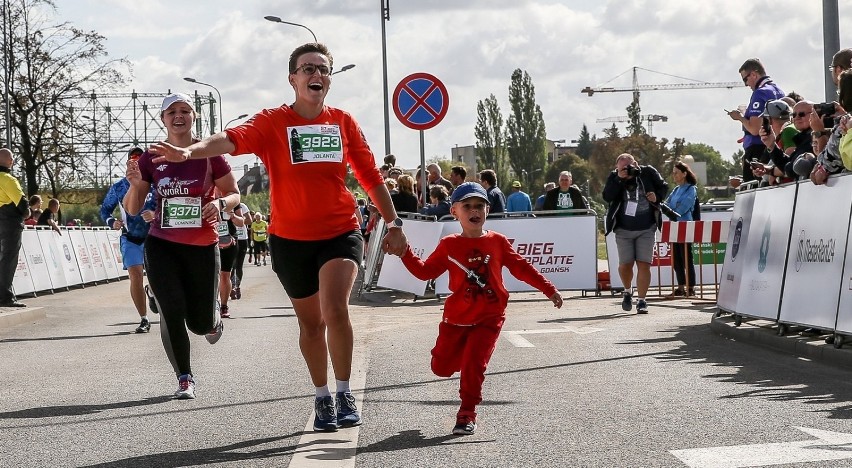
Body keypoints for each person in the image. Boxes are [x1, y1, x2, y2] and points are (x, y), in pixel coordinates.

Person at [147, 43, 407, 432]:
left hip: (339, 230)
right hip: (289, 238)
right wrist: (191, 153)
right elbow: (229, 140)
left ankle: (344, 391)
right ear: (293, 79)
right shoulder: (272, 122)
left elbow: (369, 176)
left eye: (322, 69)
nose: (315, 75)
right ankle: (321, 397)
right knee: (310, 325)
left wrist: (394, 223)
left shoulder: (343, 122)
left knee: (335, 308)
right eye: (307, 69)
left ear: (329, 79)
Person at [394, 182, 562, 435]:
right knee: (440, 368)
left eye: (480, 206)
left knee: (474, 365)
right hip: (456, 319)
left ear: (487, 209)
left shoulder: (498, 242)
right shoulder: (449, 245)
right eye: (468, 206)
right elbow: (424, 272)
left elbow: (522, 268)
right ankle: (461, 359)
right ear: (454, 211)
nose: (475, 211)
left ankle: (466, 414)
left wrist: (548, 288)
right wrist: (405, 251)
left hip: (489, 317)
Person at [125, 92, 241, 400]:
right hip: (162, 244)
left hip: (203, 245)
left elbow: (234, 193)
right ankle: (185, 377)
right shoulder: (150, 157)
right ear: (162, 119)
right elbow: (134, 209)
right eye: (172, 111)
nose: (179, 115)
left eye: (185, 110)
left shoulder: (209, 153)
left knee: (201, 324)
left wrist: (219, 202)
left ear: (194, 116)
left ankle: (211, 314)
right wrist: (136, 186)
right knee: (171, 311)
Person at [100, 146, 157, 333]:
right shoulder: (119, 187)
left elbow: (169, 204)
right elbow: (104, 210)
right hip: (130, 238)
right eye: (133, 161)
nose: (136, 164)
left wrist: (155, 213)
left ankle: (153, 292)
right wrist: (111, 222)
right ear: (127, 164)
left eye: (140, 161)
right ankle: (144, 319)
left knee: (158, 277)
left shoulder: (155, 183)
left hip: (155, 237)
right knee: (135, 275)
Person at [602, 153, 668, 314]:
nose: (627, 170)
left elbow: (664, 186)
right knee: (625, 265)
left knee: (644, 264)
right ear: (617, 168)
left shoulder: (648, 172)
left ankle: (642, 300)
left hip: (646, 227)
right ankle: (627, 290)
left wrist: (657, 196)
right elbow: (607, 196)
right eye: (623, 168)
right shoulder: (614, 177)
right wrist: (619, 178)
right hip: (623, 228)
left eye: (629, 166)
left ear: (636, 164)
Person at [727, 58, 784, 185]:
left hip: (757, 149)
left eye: (745, 79)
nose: (746, 84)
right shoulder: (779, 90)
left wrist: (740, 117)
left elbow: (754, 129)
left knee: (753, 190)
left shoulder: (760, 93)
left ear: (754, 74)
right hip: (774, 146)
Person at [664, 162, 698, 298]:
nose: (674, 175)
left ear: (684, 174)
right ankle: (680, 287)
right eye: (673, 172)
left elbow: (685, 206)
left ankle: (691, 287)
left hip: (685, 225)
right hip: (674, 225)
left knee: (686, 257)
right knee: (676, 258)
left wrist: (672, 210)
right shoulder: (676, 190)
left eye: (676, 172)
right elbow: (666, 204)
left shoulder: (691, 189)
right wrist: (671, 210)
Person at [0, 148, 29, 308]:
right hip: (9, 223)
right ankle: (5, 296)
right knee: (8, 259)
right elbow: (23, 205)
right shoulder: (8, 180)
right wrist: (26, 213)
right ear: (10, 162)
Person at [216, 190, 245, 318]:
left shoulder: (232, 200)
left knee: (225, 274)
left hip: (229, 241)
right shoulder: (207, 196)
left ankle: (223, 305)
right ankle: (212, 304)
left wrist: (232, 216)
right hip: (210, 240)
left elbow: (241, 222)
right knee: (211, 274)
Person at [230, 201, 251, 300]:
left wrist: (238, 220)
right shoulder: (226, 205)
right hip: (230, 237)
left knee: (238, 265)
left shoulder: (242, 206)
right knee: (231, 265)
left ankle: (237, 286)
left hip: (242, 238)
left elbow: (249, 220)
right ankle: (231, 287)